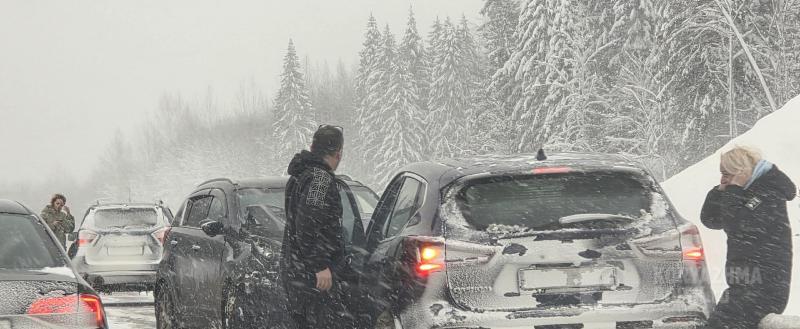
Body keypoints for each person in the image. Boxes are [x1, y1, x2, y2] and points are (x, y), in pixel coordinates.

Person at [701, 146, 796, 329]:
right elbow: (710, 219)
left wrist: (734, 189)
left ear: (740, 172)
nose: (722, 179)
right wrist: (721, 190)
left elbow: (736, 225)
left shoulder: (768, 193)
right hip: (744, 286)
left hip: (763, 289)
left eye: (726, 174)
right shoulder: (746, 192)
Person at [280, 125, 354, 329]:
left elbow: (299, 223)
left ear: (313, 147)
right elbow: (307, 224)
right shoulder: (320, 180)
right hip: (312, 278)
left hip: (297, 271)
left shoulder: (300, 175)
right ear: (338, 153)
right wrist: (320, 265)